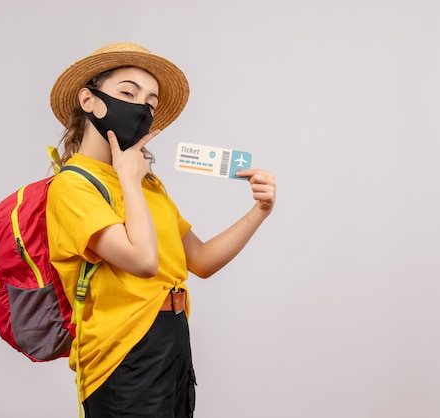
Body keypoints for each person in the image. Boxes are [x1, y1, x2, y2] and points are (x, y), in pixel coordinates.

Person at [45, 42, 276, 417]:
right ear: (88, 100)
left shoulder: (147, 185)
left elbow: (199, 260)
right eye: (127, 93)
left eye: (150, 103)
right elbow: (143, 261)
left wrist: (260, 211)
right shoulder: (74, 186)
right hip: (122, 352)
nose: (141, 108)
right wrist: (129, 179)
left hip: (173, 337)